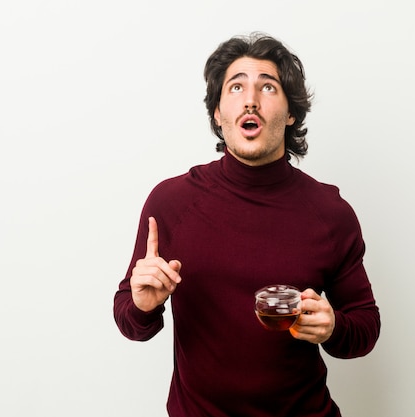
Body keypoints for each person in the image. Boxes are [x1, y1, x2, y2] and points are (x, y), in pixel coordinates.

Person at [113, 32, 380, 417]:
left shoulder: (330, 212)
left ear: (290, 113)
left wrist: (333, 327)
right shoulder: (171, 203)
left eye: (267, 87)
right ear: (218, 113)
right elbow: (129, 320)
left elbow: (365, 326)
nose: (250, 99)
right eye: (235, 87)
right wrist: (142, 305)